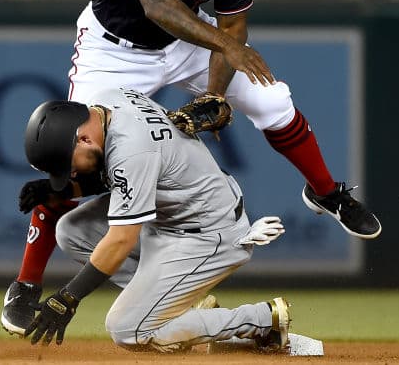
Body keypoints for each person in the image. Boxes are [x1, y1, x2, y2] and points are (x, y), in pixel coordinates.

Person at [1, 0, 381, 335]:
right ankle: (26, 284)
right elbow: (158, 5)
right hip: (114, 48)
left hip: (186, 41)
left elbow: (233, 25)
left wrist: (215, 96)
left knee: (272, 101)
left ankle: (326, 193)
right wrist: (227, 46)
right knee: (74, 149)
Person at [19, 89, 291, 352]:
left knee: (128, 330)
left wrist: (68, 298)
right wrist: (63, 190)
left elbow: (121, 239)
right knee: (72, 230)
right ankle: (169, 304)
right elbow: (124, 171)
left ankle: (264, 320)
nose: (71, 174)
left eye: (68, 166)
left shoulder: (133, 150)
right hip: (172, 215)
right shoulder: (108, 100)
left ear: (84, 139)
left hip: (208, 234)